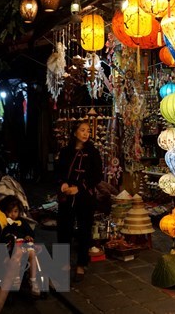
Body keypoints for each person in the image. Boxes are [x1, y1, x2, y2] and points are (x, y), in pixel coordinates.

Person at [55, 120, 103, 282]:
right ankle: (62, 263)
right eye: (82, 130)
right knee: (64, 229)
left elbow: (97, 176)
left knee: (84, 230)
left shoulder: (93, 152)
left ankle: (81, 265)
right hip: (67, 196)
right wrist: (63, 184)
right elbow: (59, 171)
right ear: (75, 132)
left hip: (84, 196)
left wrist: (80, 187)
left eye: (88, 131)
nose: (85, 133)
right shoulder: (65, 151)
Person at [0, 195, 40, 296]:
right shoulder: (5, 223)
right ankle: (15, 277)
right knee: (18, 252)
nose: (12, 214)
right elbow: (2, 236)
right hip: (11, 246)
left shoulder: (22, 222)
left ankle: (33, 280)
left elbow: (30, 232)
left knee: (32, 253)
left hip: (24, 244)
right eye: (9, 211)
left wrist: (29, 236)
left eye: (15, 211)